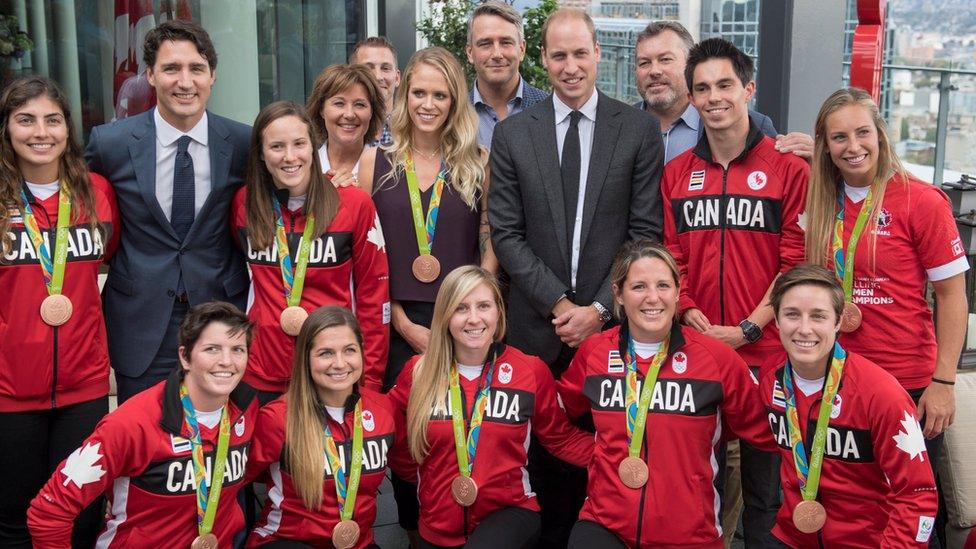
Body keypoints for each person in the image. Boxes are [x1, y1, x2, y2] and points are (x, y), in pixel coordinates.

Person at [488, 9, 664, 547]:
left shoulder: (636, 130)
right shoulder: (514, 134)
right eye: (558, 55)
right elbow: (507, 234)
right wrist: (561, 305)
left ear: (598, 54)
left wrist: (600, 311)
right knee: (538, 470)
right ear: (542, 59)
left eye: (580, 53)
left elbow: (643, 233)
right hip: (536, 332)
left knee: (606, 462)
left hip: (610, 335)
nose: (570, 66)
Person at [660, 37, 809, 546]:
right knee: (701, 482)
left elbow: (794, 263)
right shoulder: (677, 175)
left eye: (724, 84)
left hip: (768, 355)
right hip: (698, 351)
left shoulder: (790, 169)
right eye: (701, 88)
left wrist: (749, 327)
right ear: (692, 98)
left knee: (768, 492)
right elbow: (671, 256)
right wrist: (689, 309)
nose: (713, 97)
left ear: (747, 89)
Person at [358, 46, 494, 544]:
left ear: (455, 100)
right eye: (419, 92)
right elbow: (366, 253)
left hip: (462, 323)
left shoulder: (479, 162)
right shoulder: (377, 162)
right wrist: (398, 319)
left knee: (457, 431)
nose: (428, 104)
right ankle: (415, 531)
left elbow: (490, 246)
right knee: (404, 438)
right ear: (403, 94)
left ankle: (460, 528)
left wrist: (470, 313)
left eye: (440, 94)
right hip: (394, 323)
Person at [556, 239, 775, 547]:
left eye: (663, 285)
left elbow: (764, 431)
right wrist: (594, 456)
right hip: (606, 523)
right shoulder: (595, 352)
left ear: (676, 291)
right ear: (618, 294)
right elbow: (554, 415)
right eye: (639, 287)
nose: (653, 298)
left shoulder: (717, 359)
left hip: (689, 534)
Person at [803, 87, 967, 478]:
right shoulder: (819, 203)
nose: (853, 146)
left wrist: (943, 381)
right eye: (839, 137)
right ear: (824, 146)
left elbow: (952, 296)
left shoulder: (922, 200)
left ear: (880, 134)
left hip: (906, 381)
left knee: (912, 503)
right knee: (851, 500)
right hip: (837, 375)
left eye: (862, 133)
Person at [86, 20, 252, 402]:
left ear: (212, 76)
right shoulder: (110, 144)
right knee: (144, 441)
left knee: (219, 439)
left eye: (196, 68)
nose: (184, 81)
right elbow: (73, 199)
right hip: (141, 321)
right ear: (150, 75)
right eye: (171, 68)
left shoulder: (243, 142)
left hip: (220, 317)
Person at [388, 265, 593, 549]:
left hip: (511, 513)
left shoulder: (529, 371)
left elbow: (561, 438)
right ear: (445, 315)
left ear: (499, 311)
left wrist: (618, 457)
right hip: (436, 524)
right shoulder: (418, 373)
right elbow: (395, 437)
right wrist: (429, 483)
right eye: (461, 308)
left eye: (483, 306)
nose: (474, 318)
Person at [27, 301, 260, 548]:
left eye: (238, 349)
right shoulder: (130, 424)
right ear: (185, 357)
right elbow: (48, 512)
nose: (227, 361)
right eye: (212, 349)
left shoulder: (246, 410)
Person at [0, 76, 120, 548]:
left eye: (52, 120)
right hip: (9, 393)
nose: (40, 132)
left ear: (68, 130)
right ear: (7, 129)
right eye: (25, 120)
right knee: (13, 518)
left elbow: (113, 258)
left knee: (83, 514)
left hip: (83, 388)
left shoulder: (97, 193)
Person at [759, 264, 938, 547]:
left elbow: (917, 493)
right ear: (777, 321)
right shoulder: (770, 378)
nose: (804, 329)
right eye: (792, 314)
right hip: (793, 537)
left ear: (839, 321)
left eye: (818, 316)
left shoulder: (882, 394)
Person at [231, 101, 389, 402]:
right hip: (262, 374)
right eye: (277, 146)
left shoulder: (353, 205)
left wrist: (368, 383)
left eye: (299, 144)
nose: (290, 157)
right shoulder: (244, 204)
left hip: (332, 373)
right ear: (261, 154)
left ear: (313, 147)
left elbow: (373, 299)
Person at [246, 306, 407, 548]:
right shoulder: (278, 419)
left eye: (349, 350)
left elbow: (409, 467)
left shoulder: (384, 410)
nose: (340, 363)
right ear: (306, 358)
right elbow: (236, 479)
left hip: (357, 543)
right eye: (326, 353)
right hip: (287, 541)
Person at [633, 20, 812, 163]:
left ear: (690, 65)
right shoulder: (617, 126)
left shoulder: (755, 125)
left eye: (665, 59)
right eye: (644, 63)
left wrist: (818, 166)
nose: (654, 71)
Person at [466, 1, 548, 149]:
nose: (497, 54)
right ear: (470, 53)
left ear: (522, 49)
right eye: (485, 44)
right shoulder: (454, 114)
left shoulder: (551, 110)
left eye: (505, 42)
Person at [306, 64, 385, 189]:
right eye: (339, 103)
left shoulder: (388, 170)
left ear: (372, 112)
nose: (349, 114)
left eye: (359, 105)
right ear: (321, 109)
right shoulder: (305, 167)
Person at [349, 36, 400, 147]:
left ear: (397, 78)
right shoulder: (342, 128)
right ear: (351, 75)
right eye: (368, 68)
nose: (377, 77)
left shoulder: (413, 130)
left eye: (385, 68)